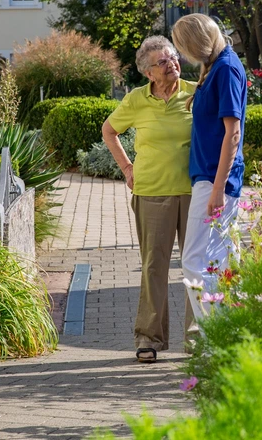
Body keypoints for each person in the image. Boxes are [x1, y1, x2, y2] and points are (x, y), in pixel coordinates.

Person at [102, 36, 196, 363]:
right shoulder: (136, 100)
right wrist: (128, 169)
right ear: (148, 73)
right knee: (153, 266)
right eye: (162, 61)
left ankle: (197, 339)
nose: (171, 64)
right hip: (152, 191)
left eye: (173, 57)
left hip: (194, 191)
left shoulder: (196, 92)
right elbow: (109, 131)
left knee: (196, 267)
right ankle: (148, 338)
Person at [171, 14, 247, 323]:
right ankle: (224, 336)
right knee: (217, 260)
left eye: (184, 48)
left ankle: (216, 335)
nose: (183, 55)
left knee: (194, 261)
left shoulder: (225, 69)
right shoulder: (216, 66)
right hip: (211, 177)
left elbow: (233, 132)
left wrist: (217, 190)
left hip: (215, 179)